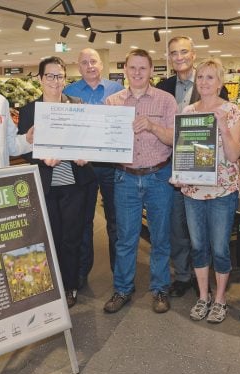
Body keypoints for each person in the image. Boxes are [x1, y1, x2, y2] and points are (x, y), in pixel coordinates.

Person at [103, 49, 177, 314]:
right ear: (125, 69)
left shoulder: (166, 100)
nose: (137, 73)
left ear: (151, 71)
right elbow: (104, 140)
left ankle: (160, 289)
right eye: (132, 68)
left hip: (159, 176)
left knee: (160, 237)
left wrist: (152, 126)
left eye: (142, 68)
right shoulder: (112, 102)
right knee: (125, 238)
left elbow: (174, 139)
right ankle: (122, 289)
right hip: (125, 177)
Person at [17, 57, 95, 308]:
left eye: (60, 76)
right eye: (50, 76)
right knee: (49, 236)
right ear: (40, 79)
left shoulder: (77, 104)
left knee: (72, 238)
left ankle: (70, 285)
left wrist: (86, 155)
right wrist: (41, 158)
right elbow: (24, 147)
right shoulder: (30, 110)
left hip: (74, 183)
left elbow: (86, 140)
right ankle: (51, 286)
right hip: (45, 184)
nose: (55, 81)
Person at [157, 36, 229, 298]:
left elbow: (224, 133)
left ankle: (209, 283)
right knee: (179, 227)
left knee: (209, 232)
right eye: (173, 53)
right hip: (175, 165)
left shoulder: (208, 83)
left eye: (184, 51)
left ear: (193, 53)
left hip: (207, 170)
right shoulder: (163, 86)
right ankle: (184, 276)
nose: (179, 57)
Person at [180, 59, 240, 323]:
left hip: (221, 192)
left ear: (220, 82)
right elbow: (183, 151)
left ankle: (220, 299)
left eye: (210, 78)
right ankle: (203, 296)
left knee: (219, 248)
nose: (205, 82)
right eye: (201, 77)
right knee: (198, 246)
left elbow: (234, 154)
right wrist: (179, 174)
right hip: (192, 191)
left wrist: (223, 127)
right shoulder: (187, 110)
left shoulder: (232, 112)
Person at [63, 48, 124, 287]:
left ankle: (119, 272)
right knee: (83, 221)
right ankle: (81, 273)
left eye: (94, 61)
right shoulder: (69, 92)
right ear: (78, 66)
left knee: (115, 220)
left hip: (111, 167)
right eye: (85, 62)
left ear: (101, 64)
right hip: (81, 167)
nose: (90, 66)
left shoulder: (117, 91)